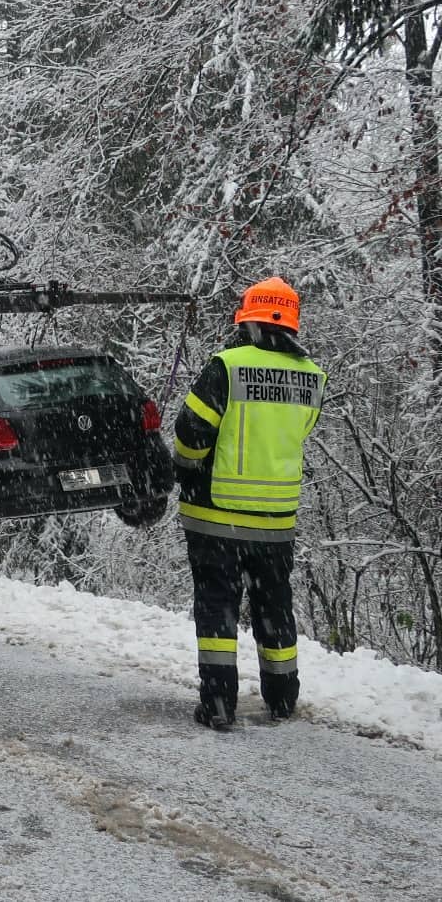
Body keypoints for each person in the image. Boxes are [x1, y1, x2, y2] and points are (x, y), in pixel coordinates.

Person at [173, 276, 326, 729]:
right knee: (274, 605)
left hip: (217, 515)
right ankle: (282, 698)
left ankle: (219, 705)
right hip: (276, 519)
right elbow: (297, 433)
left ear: (248, 321)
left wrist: (187, 468)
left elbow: (191, 432)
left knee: (217, 607)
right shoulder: (312, 376)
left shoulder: (228, 366)